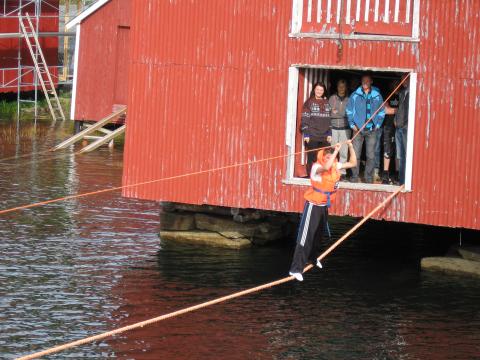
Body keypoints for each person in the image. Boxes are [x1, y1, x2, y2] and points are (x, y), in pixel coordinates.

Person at [289, 141, 357, 281]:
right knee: (305, 237)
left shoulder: (334, 166)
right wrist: (336, 150)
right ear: (322, 157)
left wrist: (350, 146)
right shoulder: (317, 168)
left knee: (318, 235)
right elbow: (326, 166)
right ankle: (295, 269)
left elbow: (353, 163)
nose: (330, 160)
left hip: (323, 206)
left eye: (331, 157)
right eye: (327, 157)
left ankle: (312, 258)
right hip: (313, 205)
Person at [346, 74, 385, 183]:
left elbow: (382, 111)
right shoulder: (355, 95)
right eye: (363, 81)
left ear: (371, 81)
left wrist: (377, 125)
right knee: (356, 155)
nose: (365, 82)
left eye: (367, 81)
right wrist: (351, 124)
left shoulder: (377, 95)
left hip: (371, 129)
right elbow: (349, 111)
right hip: (357, 129)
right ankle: (354, 177)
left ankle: (368, 177)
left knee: (370, 156)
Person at [300, 82, 332, 176]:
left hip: (325, 136)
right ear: (314, 90)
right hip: (312, 135)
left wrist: (329, 134)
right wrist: (306, 134)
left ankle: (322, 176)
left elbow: (329, 120)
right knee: (312, 158)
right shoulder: (309, 102)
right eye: (317, 89)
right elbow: (304, 119)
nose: (319, 91)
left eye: (321, 90)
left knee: (323, 158)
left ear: (324, 91)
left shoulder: (327, 103)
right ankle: (312, 176)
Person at [328, 79, 350, 181]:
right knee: (332, 150)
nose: (341, 88)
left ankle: (342, 173)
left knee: (344, 152)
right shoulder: (332, 98)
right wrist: (336, 114)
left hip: (345, 128)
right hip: (333, 128)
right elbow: (329, 113)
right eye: (339, 86)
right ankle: (331, 170)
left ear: (346, 87)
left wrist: (336, 113)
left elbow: (349, 114)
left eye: (343, 86)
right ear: (337, 87)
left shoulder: (349, 99)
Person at [381, 80, 400, 184]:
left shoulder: (403, 95)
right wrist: (398, 110)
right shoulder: (388, 95)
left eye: (397, 84)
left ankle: (397, 174)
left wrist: (392, 109)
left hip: (400, 128)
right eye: (394, 84)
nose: (396, 86)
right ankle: (385, 174)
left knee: (398, 151)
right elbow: (385, 110)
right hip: (388, 127)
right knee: (387, 150)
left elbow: (407, 110)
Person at [395, 76, 409, 185]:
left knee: (406, 154)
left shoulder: (413, 91)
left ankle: (405, 180)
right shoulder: (402, 93)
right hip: (399, 127)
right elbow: (399, 109)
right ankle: (401, 179)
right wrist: (396, 119)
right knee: (399, 155)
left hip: (406, 127)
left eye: (406, 79)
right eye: (402, 79)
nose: (403, 81)